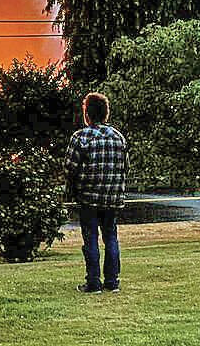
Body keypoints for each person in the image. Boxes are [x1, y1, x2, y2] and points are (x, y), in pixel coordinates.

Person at [65, 92, 129, 293]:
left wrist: (73, 189)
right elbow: (125, 167)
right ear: (106, 113)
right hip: (112, 198)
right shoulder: (119, 137)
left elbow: (69, 168)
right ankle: (112, 281)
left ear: (87, 114)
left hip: (89, 198)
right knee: (111, 237)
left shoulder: (80, 137)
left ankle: (93, 282)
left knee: (90, 238)